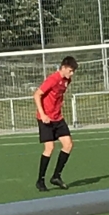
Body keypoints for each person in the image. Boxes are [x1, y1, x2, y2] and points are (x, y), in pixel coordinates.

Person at [33, 56, 77, 192]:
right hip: (45, 118)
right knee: (49, 148)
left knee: (68, 144)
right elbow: (37, 94)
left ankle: (56, 176)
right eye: (70, 70)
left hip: (58, 118)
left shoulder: (67, 80)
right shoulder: (53, 79)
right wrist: (43, 114)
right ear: (63, 68)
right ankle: (40, 180)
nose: (72, 73)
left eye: (73, 71)